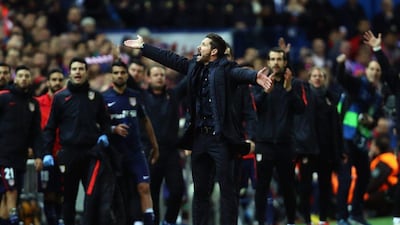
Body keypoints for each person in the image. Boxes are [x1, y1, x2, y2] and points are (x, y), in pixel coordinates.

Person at [124, 33, 273, 225]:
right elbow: (171, 59)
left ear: (213, 51)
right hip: (199, 140)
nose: (198, 48)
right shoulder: (193, 65)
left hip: (221, 140)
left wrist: (254, 77)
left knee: (228, 190)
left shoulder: (226, 68)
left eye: (203, 45)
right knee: (201, 191)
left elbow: (240, 73)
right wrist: (144, 47)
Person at [42, 57, 111, 225]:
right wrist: (46, 153)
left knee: (91, 195)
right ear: (70, 73)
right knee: (69, 197)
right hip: (69, 154)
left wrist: (105, 134)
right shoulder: (60, 98)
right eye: (74, 69)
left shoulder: (96, 96)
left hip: (91, 154)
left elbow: (105, 121)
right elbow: (51, 127)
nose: (78, 72)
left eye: (81, 69)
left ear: (86, 72)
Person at [252, 47, 305, 225]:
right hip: (264, 144)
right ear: (268, 62)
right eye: (273, 59)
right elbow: (253, 108)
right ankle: (260, 222)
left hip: (285, 144)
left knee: (288, 186)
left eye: (279, 59)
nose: (276, 63)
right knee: (261, 187)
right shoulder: (258, 83)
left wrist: (289, 89)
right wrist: (265, 91)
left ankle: (290, 220)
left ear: (285, 62)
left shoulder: (295, 84)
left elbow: (301, 109)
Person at [103, 61, 159, 225]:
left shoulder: (135, 96)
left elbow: (146, 121)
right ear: (112, 76)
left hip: (136, 151)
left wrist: (155, 146)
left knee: (144, 187)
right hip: (115, 154)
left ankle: (148, 221)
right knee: (119, 193)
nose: (120, 75)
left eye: (122, 72)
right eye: (116, 73)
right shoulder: (104, 98)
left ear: (127, 75)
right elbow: (99, 124)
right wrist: (113, 129)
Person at [335, 52, 383, 225]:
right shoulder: (357, 85)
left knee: (364, 176)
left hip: (362, 141)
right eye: (372, 69)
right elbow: (342, 78)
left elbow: (375, 120)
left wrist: (371, 121)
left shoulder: (378, 97)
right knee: (346, 178)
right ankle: (341, 216)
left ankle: (356, 213)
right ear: (366, 71)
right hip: (346, 138)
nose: (374, 72)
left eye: (378, 70)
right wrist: (340, 64)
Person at [0, 65, 45, 225]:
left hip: (21, 157)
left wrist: (39, 155)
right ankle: (15, 221)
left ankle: (5, 221)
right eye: (21, 75)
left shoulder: (33, 103)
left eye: (27, 75)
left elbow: (36, 133)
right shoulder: (4, 97)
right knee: (11, 191)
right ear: (15, 78)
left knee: (11, 195)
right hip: (4, 156)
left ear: (30, 79)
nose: (24, 78)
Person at [142, 65, 185, 225]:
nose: (159, 77)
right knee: (152, 193)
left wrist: (198, 62)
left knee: (178, 190)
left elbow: (187, 81)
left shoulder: (173, 95)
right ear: (148, 78)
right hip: (151, 151)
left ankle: (169, 221)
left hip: (171, 151)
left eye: (162, 74)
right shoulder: (141, 96)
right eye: (155, 75)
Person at [35, 69, 65, 225]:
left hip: (65, 153)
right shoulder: (38, 103)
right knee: (48, 193)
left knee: (63, 192)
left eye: (60, 79)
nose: (57, 83)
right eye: (54, 79)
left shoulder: (68, 101)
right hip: (47, 154)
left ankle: (60, 220)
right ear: (48, 82)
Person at [364, 133, 399, 216]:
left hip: (387, 194)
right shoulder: (387, 157)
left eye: (372, 145)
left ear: (377, 147)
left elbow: (374, 182)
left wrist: (363, 191)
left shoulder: (385, 162)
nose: (371, 147)